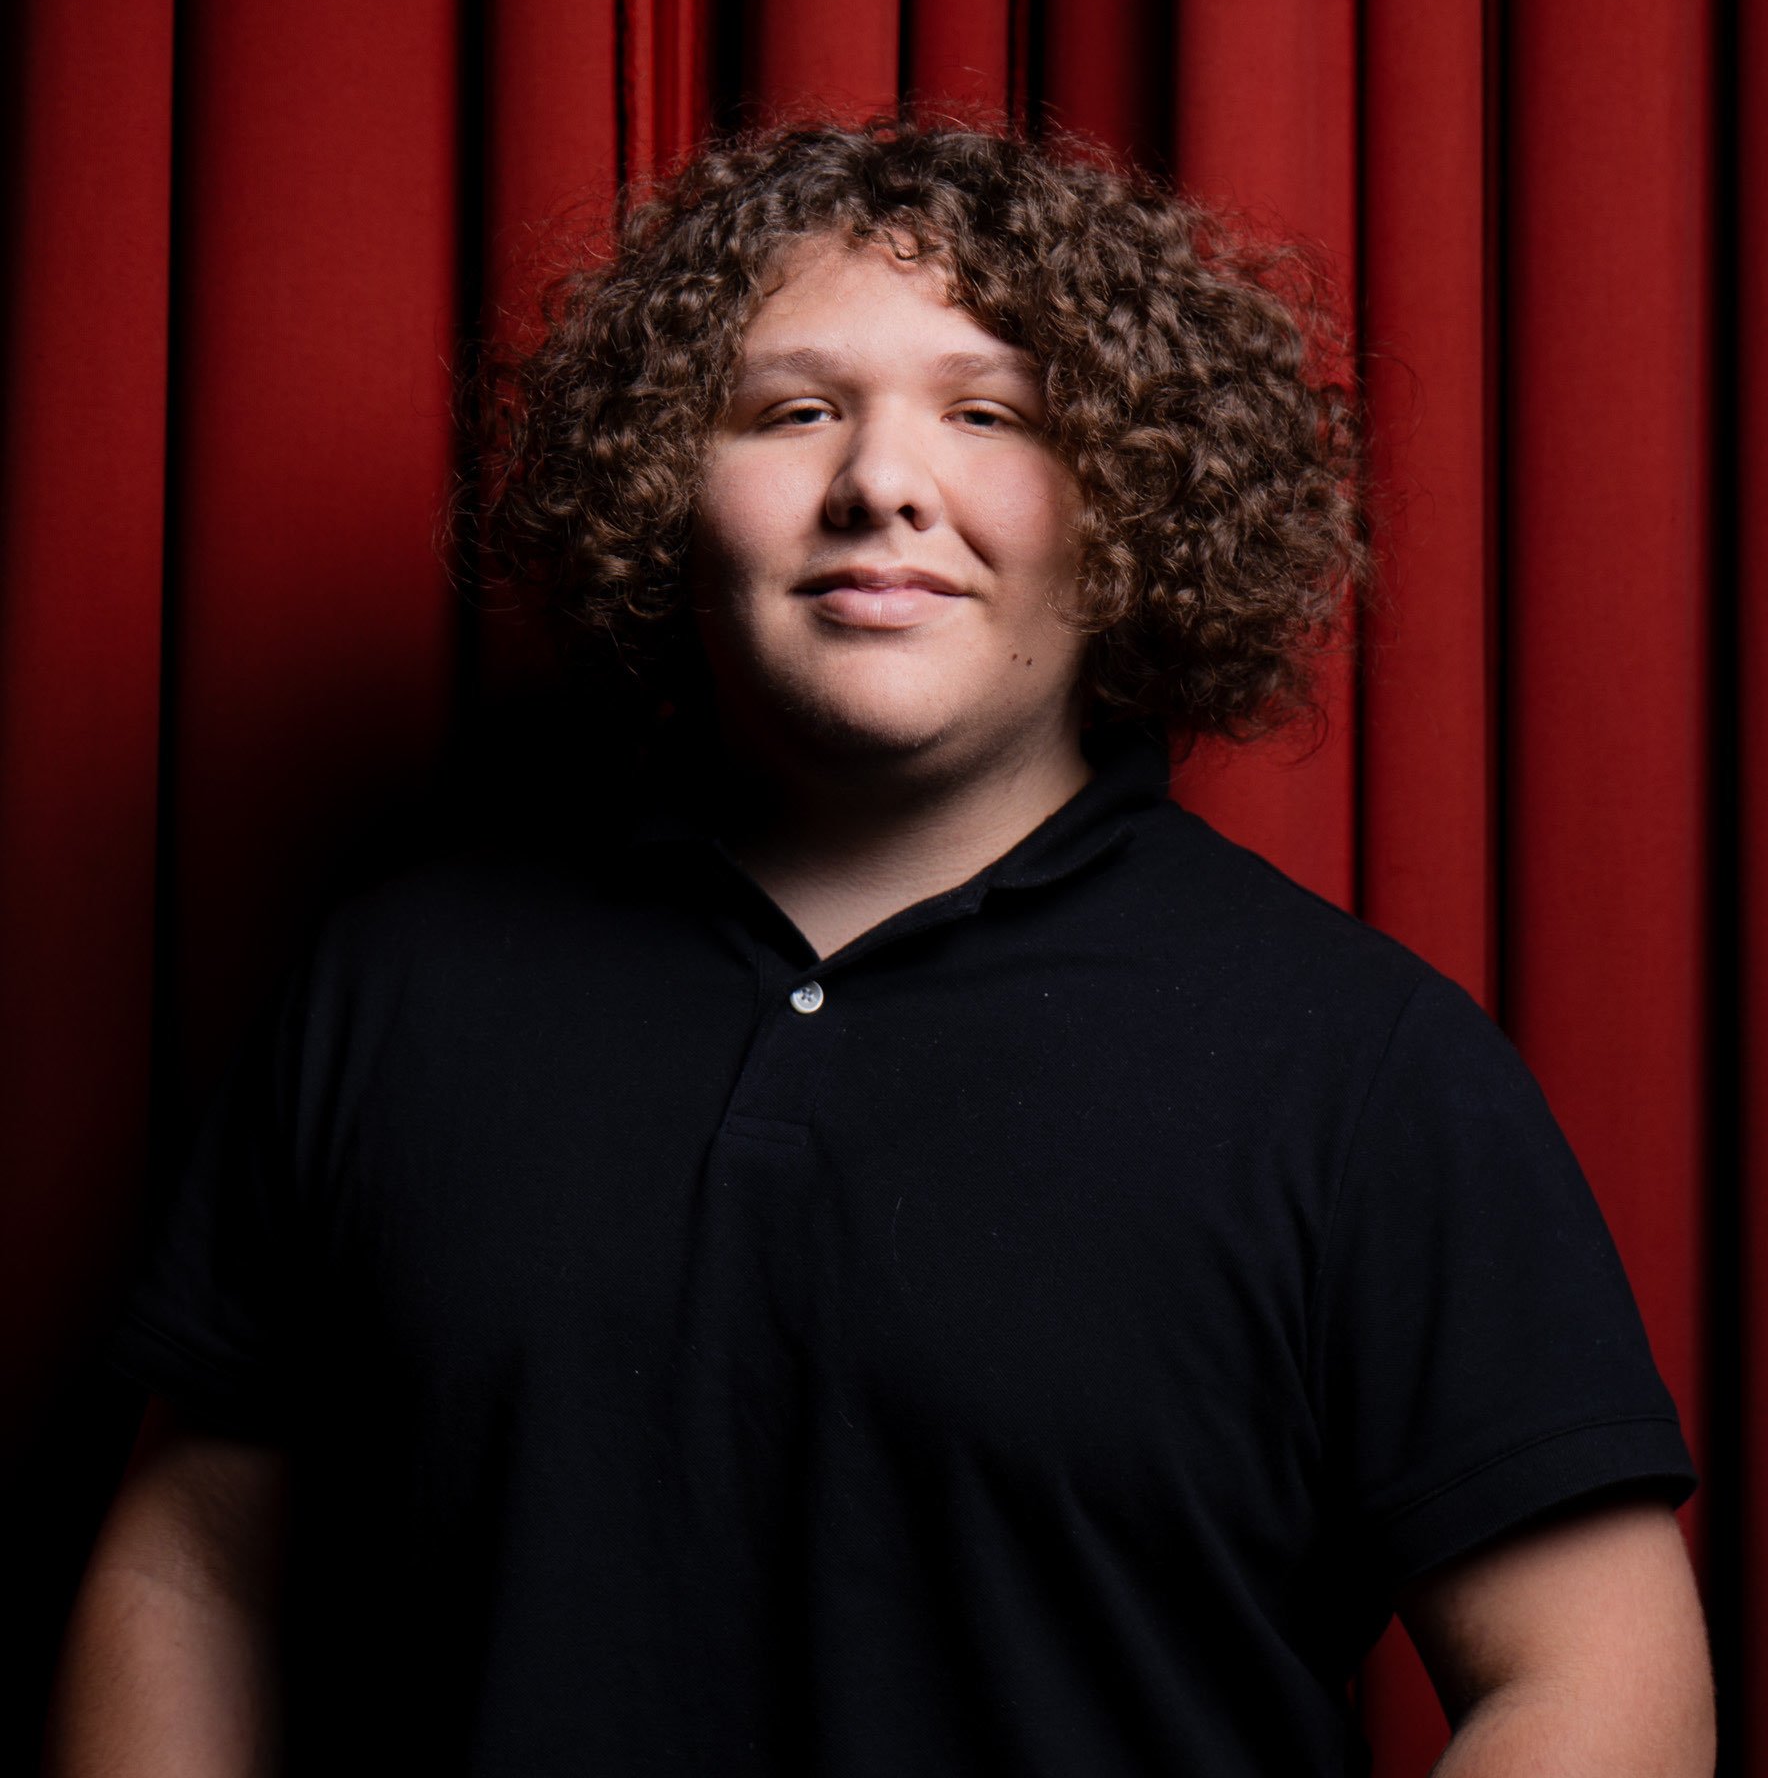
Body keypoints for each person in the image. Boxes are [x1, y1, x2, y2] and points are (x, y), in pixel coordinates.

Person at [46, 114, 1714, 1775]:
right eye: (794, 410)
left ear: (1132, 503)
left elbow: (1599, 1680)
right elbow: (191, 1581)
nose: (882, 484)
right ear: (664, 488)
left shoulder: (1365, 1068)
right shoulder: (399, 987)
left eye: (989, 413)